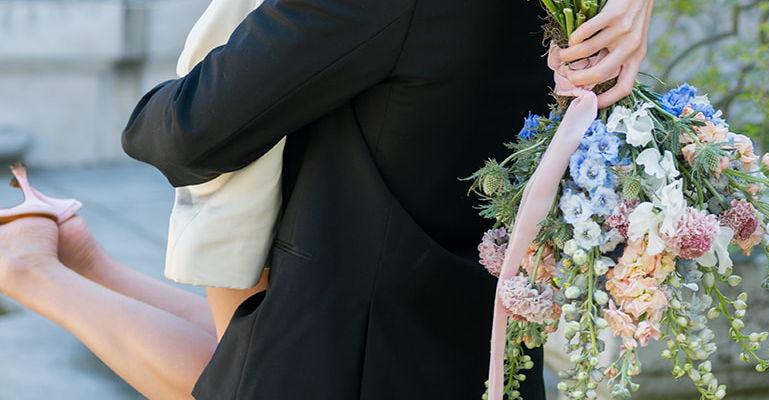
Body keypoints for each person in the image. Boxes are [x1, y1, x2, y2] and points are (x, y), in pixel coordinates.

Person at [0, 0, 655, 398]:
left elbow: (187, 132)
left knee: (237, 376)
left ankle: (29, 270)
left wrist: (158, 109)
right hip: (468, 317)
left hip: (355, 336)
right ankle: (77, 264)